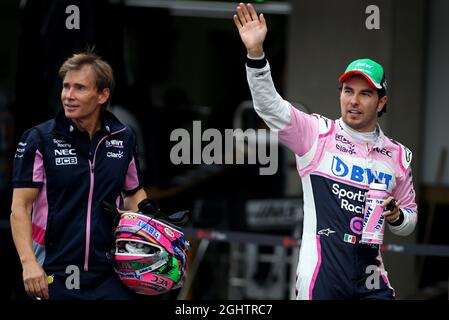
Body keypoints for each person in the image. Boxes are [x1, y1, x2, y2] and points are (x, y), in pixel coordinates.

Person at [234, 3, 417, 300]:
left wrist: (396, 215)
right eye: (348, 91)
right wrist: (256, 55)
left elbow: (410, 221)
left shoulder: (398, 155)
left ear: (381, 102)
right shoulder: (317, 134)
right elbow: (270, 107)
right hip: (323, 273)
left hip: (371, 277)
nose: (354, 101)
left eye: (365, 93)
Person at [10, 51, 147, 300]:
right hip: (54, 272)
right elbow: (20, 206)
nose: (68, 96)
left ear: (102, 95)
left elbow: (133, 193)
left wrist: (147, 238)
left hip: (109, 273)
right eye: (66, 87)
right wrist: (28, 263)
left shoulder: (123, 138)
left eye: (80, 88)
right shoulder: (39, 139)